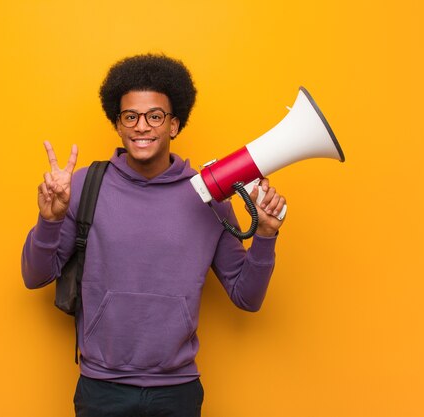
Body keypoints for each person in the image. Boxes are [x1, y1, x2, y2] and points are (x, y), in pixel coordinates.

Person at [21, 54, 286, 417]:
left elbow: (247, 297)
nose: (141, 126)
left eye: (154, 116)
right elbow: (34, 277)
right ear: (118, 124)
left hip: (177, 393)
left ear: (174, 125)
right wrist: (49, 219)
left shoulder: (209, 198)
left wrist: (266, 236)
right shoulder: (83, 186)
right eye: (130, 116)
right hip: (101, 388)